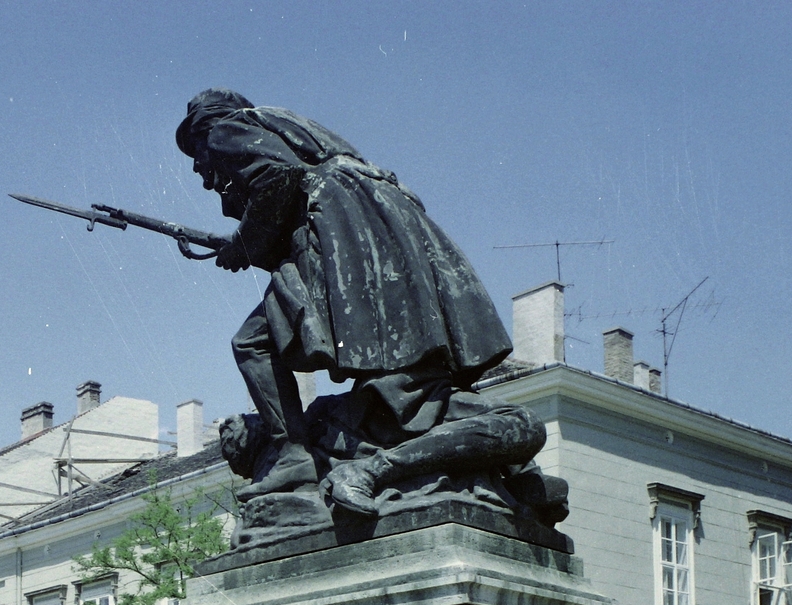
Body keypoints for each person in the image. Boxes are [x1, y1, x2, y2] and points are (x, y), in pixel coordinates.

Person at [175, 89, 553, 521]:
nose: (198, 165)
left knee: (252, 342)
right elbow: (294, 185)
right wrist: (242, 244)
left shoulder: (225, 128)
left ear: (206, 128)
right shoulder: (292, 125)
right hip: (377, 230)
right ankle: (515, 470)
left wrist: (244, 243)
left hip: (338, 233)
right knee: (395, 370)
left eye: (195, 150)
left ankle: (292, 456)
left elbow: (278, 179)